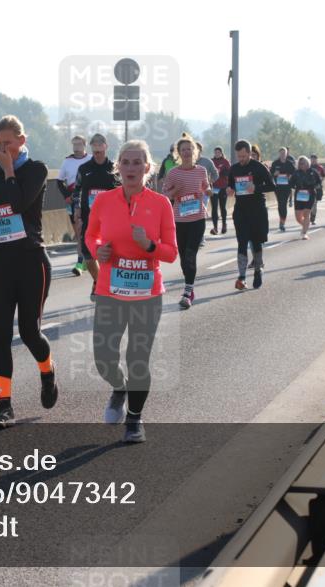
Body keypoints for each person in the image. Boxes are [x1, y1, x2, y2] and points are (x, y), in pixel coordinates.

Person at [0, 115, 55, 429]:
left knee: (30, 332)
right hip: (1, 262)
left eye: (9, 144)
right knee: (0, 334)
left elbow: (17, 204)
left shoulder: (36, 169)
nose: (3, 150)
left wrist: (7, 168)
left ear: (22, 141)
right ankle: (4, 404)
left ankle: (47, 371)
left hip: (31, 261)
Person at [85, 140, 178, 443]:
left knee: (138, 358)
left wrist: (149, 246)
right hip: (110, 291)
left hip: (146, 295)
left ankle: (135, 420)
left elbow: (170, 252)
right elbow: (91, 235)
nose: (131, 168)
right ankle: (118, 387)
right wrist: (99, 251)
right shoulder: (104, 201)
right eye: (125, 162)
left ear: (148, 168)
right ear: (118, 167)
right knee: (104, 358)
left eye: (138, 163)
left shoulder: (161, 204)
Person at [161, 133, 211, 309]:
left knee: (191, 254)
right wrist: (176, 191)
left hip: (197, 218)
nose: (187, 152)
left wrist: (208, 192)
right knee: (183, 257)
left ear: (194, 151)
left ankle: (188, 291)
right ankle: (189, 285)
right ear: (179, 153)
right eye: (183, 150)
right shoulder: (173, 173)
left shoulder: (201, 170)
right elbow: (165, 195)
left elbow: (206, 187)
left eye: (189, 149)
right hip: (180, 220)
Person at [75, 133, 119, 302]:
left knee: (110, 252)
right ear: (91, 148)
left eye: (100, 147)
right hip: (89, 217)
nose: (98, 151)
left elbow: (123, 192)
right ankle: (98, 280)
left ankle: (107, 284)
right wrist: (77, 209)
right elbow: (77, 190)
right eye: (95, 148)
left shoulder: (114, 168)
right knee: (88, 253)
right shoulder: (84, 169)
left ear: (106, 147)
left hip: (111, 219)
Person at [228, 140, 275, 290]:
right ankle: (241, 277)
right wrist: (229, 190)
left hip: (257, 210)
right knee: (242, 242)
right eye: (238, 156)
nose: (241, 159)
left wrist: (256, 187)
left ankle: (257, 270)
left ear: (249, 153)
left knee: (256, 242)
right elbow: (230, 186)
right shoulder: (234, 169)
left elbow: (272, 185)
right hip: (241, 211)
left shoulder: (258, 167)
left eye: (243, 156)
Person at [57, 136, 91, 277]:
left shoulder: (90, 159)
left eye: (78, 144)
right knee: (79, 232)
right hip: (73, 199)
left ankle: (89, 259)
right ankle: (80, 262)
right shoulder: (67, 161)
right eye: (74, 144)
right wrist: (67, 196)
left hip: (88, 199)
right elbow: (59, 181)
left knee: (90, 230)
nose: (76, 146)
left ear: (84, 145)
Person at [290, 156, 323, 240]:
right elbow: (291, 183)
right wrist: (295, 188)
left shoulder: (313, 172)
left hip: (310, 194)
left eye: (303, 163)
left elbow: (319, 182)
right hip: (299, 195)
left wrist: (313, 187)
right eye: (300, 163)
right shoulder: (296, 173)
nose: (302, 165)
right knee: (298, 217)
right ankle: (305, 225)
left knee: (306, 213)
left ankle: (304, 233)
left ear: (307, 163)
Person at [270, 147, 297, 232]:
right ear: (279, 154)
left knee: (283, 204)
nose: (282, 155)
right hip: (277, 187)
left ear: (286, 154)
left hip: (286, 187)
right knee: (280, 204)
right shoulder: (275, 163)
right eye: (281, 153)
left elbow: (295, 173)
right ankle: (281, 220)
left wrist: (289, 176)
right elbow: (270, 174)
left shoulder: (289, 163)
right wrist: (275, 174)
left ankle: (282, 222)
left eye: (284, 153)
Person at [209, 146, 231, 235]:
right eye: (215, 152)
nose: (217, 154)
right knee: (214, 208)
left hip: (223, 187)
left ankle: (224, 225)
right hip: (214, 188)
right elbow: (207, 172)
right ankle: (215, 227)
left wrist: (222, 172)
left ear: (221, 153)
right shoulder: (211, 161)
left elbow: (230, 173)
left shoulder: (225, 162)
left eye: (218, 152)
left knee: (222, 207)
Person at [309, 154, 325, 225]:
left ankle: (312, 218)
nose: (313, 161)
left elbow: (324, 176)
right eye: (312, 159)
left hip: (317, 187)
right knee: (308, 204)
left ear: (316, 160)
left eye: (314, 159)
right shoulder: (307, 167)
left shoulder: (320, 167)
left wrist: (320, 180)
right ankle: (308, 216)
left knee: (314, 203)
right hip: (308, 188)